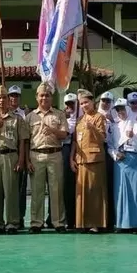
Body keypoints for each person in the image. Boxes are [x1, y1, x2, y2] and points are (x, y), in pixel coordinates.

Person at [0, 85, 29, 234]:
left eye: (4, 97)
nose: (2, 100)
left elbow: (22, 140)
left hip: (11, 155)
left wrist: (21, 160)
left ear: (9, 100)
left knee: (11, 190)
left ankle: (12, 223)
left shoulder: (17, 119)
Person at [25, 82, 67, 233]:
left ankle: (58, 222)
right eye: (41, 95)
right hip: (36, 155)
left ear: (51, 97)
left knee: (56, 190)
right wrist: (27, 160)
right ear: (37, 97)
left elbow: (64, 134)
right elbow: (25, 140)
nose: (44, 98)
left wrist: (53, 131)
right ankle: (36, 222)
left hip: (55, 154)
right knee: (37, 191)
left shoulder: (59, 114)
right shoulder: (29, 117)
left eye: (47, 95)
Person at [70, 89, 108, 233]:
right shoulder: (79, 120)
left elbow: (103, 138)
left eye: (86, 102)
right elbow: (75, 141)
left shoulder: (99, 118)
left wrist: (92, 128)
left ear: (93, 102)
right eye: (81, 103)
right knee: (82, 192)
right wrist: (71, 158)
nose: (84, 105)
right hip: (80, 160)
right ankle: (83, 223)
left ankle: (96, 224)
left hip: (94, 160)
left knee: (94, 193)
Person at [108, 98, 137, 232]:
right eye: (118, 110)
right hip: (119, 161)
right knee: (120, 192)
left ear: (128, 109)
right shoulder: (114, 127)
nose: (120, 112)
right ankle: (121, 223)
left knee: (135, 191)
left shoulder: (136, 125)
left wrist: (133, 137)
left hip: (133, 159)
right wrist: (115, 154)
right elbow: (110, 145)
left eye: (123, 109)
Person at [8, 85, 29, 226]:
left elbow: (26, 138)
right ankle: (9, 217)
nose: (14, 98)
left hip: (20, 153)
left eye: (16, 95)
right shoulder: (2, 113)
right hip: (7, 153)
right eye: (12, 95)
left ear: (20, 98)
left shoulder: (25, 115)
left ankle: (20, 217)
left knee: (21, 189)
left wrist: (24, 158)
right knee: (7, 189)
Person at [62, 93, 78, 229]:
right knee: (66, 186)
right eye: (67, 104)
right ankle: (68, 218)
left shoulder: (81, 118)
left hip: (79, 151)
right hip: (65, 150)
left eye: (72, 104)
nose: (70, 107)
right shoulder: (62, 118)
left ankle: (78, 217)